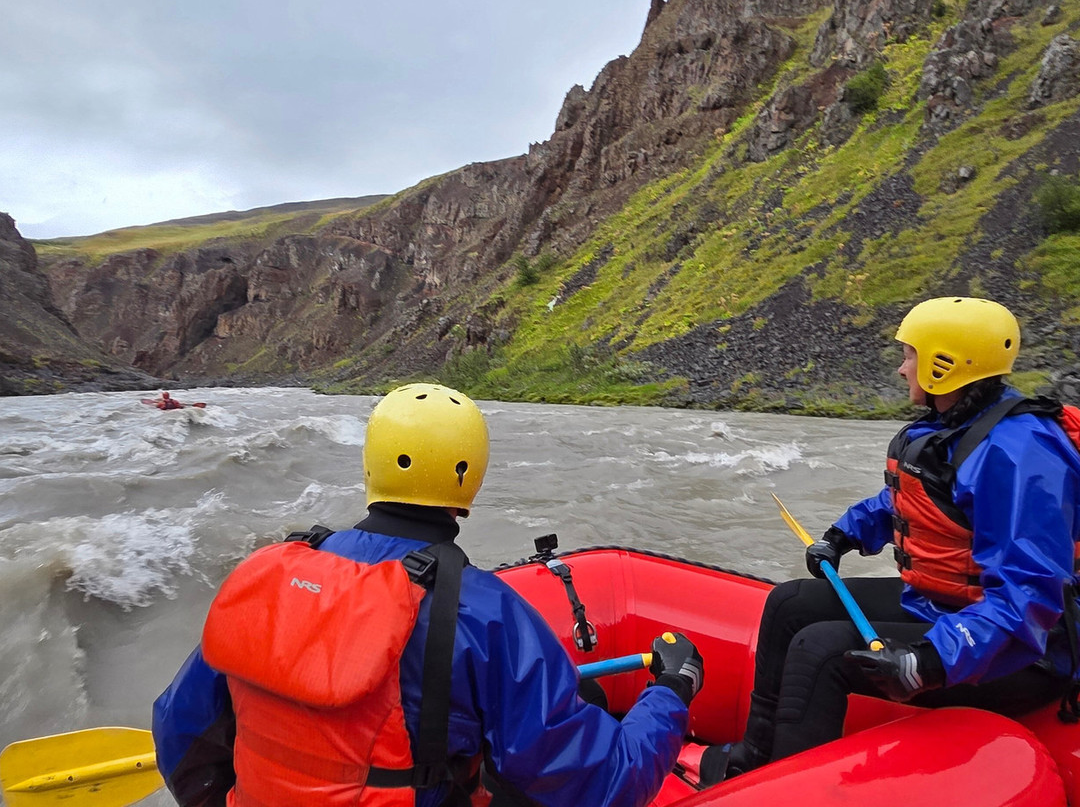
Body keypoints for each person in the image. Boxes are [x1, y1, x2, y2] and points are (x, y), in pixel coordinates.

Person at [152, 382, 703, 807]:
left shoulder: (268, 578)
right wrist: (670, 695)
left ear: (370, 464)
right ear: (470, 479)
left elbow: (178, 726)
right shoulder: (487, 615)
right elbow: (601, 783)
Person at [697, 296, 1080, 785]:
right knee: (790, 602)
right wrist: (842, 535)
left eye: (911, 356)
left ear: (946, 365)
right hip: (946, 608)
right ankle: (756, 756)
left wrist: (931, 658)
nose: (903, 370)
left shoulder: (1020, 453)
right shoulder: (953, 424)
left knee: (822, 650)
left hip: (1021, 652)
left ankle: (786, 791)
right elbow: (911, 499)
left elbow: (1030, 595)